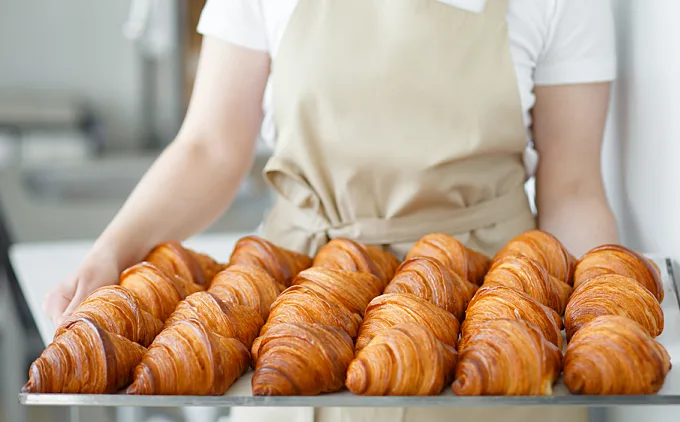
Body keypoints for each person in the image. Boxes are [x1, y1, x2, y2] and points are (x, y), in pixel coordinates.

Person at [45, 0, 618, 421]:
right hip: (298, 305)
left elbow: (572, 186)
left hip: (491, 317)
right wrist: (110, 253)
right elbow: (210, 149)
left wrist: (602, 324)